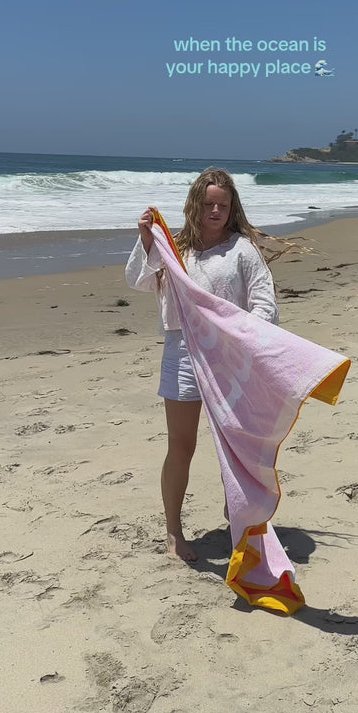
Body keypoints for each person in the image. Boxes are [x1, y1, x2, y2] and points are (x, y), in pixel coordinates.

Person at [125, 168, 279, 563]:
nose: (215, 211)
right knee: (181, 445)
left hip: (229, 356)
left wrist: (239, 331)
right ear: (195, 204)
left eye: (223, 205)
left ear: (232, 209)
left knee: (237, 443)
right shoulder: (175, 248)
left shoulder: (242, 249)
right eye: (208, 203)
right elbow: (138, 281)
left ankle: (239, 514)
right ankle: (173, 531)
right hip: (182, 354)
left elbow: (265, 303)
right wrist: (147, 242)